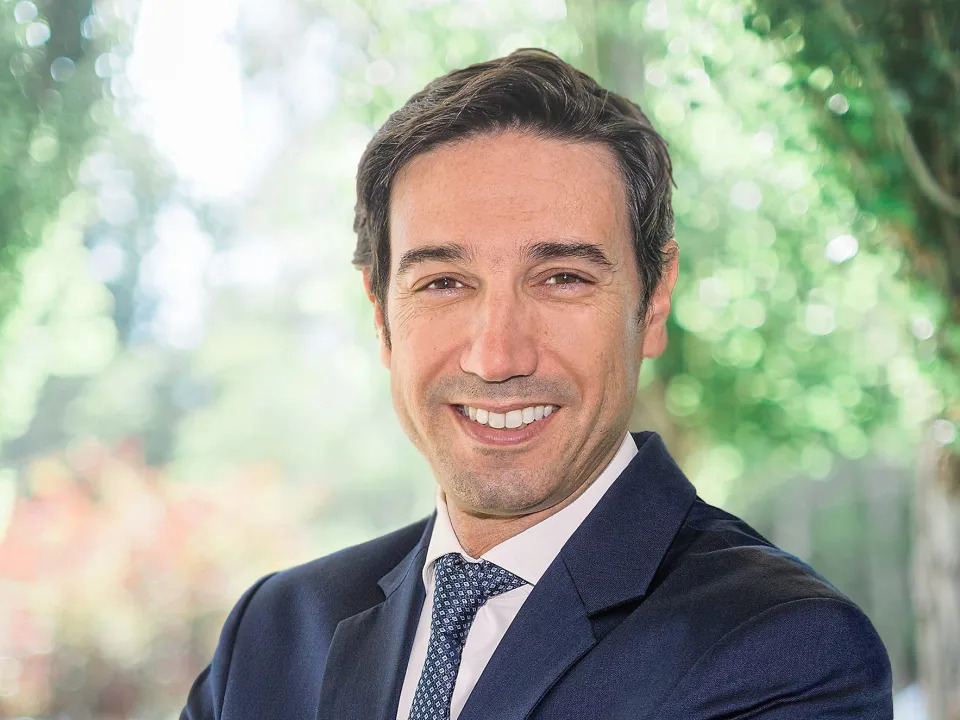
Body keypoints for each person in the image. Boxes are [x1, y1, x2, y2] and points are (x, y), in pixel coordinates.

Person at [181, 48, 892, 720]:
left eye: (562, 279)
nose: (497, 356)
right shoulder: (272, 636)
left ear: (655, 301)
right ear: (380, 313)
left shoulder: (783, 650)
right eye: (445, 282)